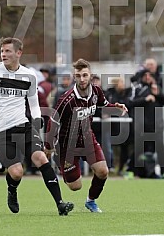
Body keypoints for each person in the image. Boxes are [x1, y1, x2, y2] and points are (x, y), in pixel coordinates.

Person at [0, 37, 74, 216]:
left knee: (41, 158)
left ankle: (60, 204)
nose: (3, 54)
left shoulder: (29, 76)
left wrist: (38, 118)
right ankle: (12, 190)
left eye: (8, 51)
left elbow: (33, 102)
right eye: (2, 51)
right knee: (17, 172)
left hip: (23, 126)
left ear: (19, 53)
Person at [46, 59, 127, 213]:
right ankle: (63, 165)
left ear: (90, 75)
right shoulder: (66, 100)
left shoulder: (96, 91)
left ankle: (91, 201)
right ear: (74, 77)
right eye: (78, 76)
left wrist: (115, 106)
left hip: (88, 139)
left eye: (85, 75)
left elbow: (103, 103)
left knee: (103, 171)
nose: (82, 79)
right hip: (68, 146)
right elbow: (53, 121)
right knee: (75, 186)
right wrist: (49, 146)